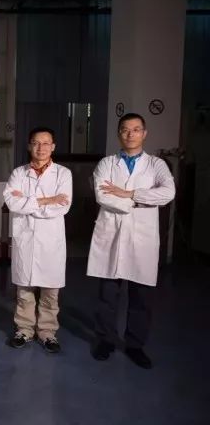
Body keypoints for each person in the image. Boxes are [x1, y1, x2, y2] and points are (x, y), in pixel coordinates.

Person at [88, 113, 175, 369]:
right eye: (125, 129)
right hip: (111, 235)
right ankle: (105, 340)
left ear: (144, 133)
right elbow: (103, 196)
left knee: (141, 298)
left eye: (136, 129)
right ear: (119, 133)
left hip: (142, 238)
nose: (130, 134)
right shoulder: (106, 163)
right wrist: (139, 202)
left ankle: (135, 345)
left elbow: (167, 193)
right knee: (107, 296)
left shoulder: (156, 164)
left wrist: (129, 193)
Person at [3, 127, 72, 353]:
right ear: (29, 146)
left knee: (50, 292)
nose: (40, 148)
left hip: (51, 242)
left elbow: (62, 206)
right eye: (36, 143)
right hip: (25, 238)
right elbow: (12, 203)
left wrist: (29, 202)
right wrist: (46, 200)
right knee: (24, 291)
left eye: (45, 143)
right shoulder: (18, 173)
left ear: (53, 146)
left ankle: (47, 332)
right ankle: (24, 330)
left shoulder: (63, 174)